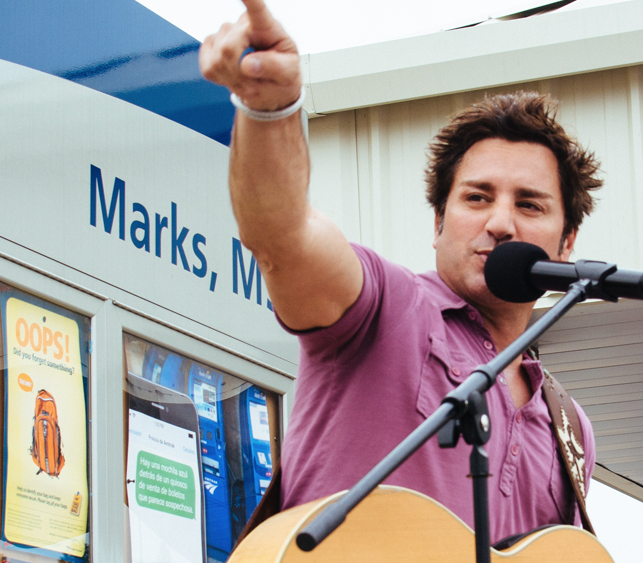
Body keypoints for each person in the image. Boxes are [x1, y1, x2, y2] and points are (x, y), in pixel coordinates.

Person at [199, 0, 601, 546]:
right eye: (477, 197)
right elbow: (281, 236)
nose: (501, 223)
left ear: (568, 241)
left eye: (530, 205)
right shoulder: (387, 305)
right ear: (438, 221)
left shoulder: (570, 427)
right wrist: (270, 110)